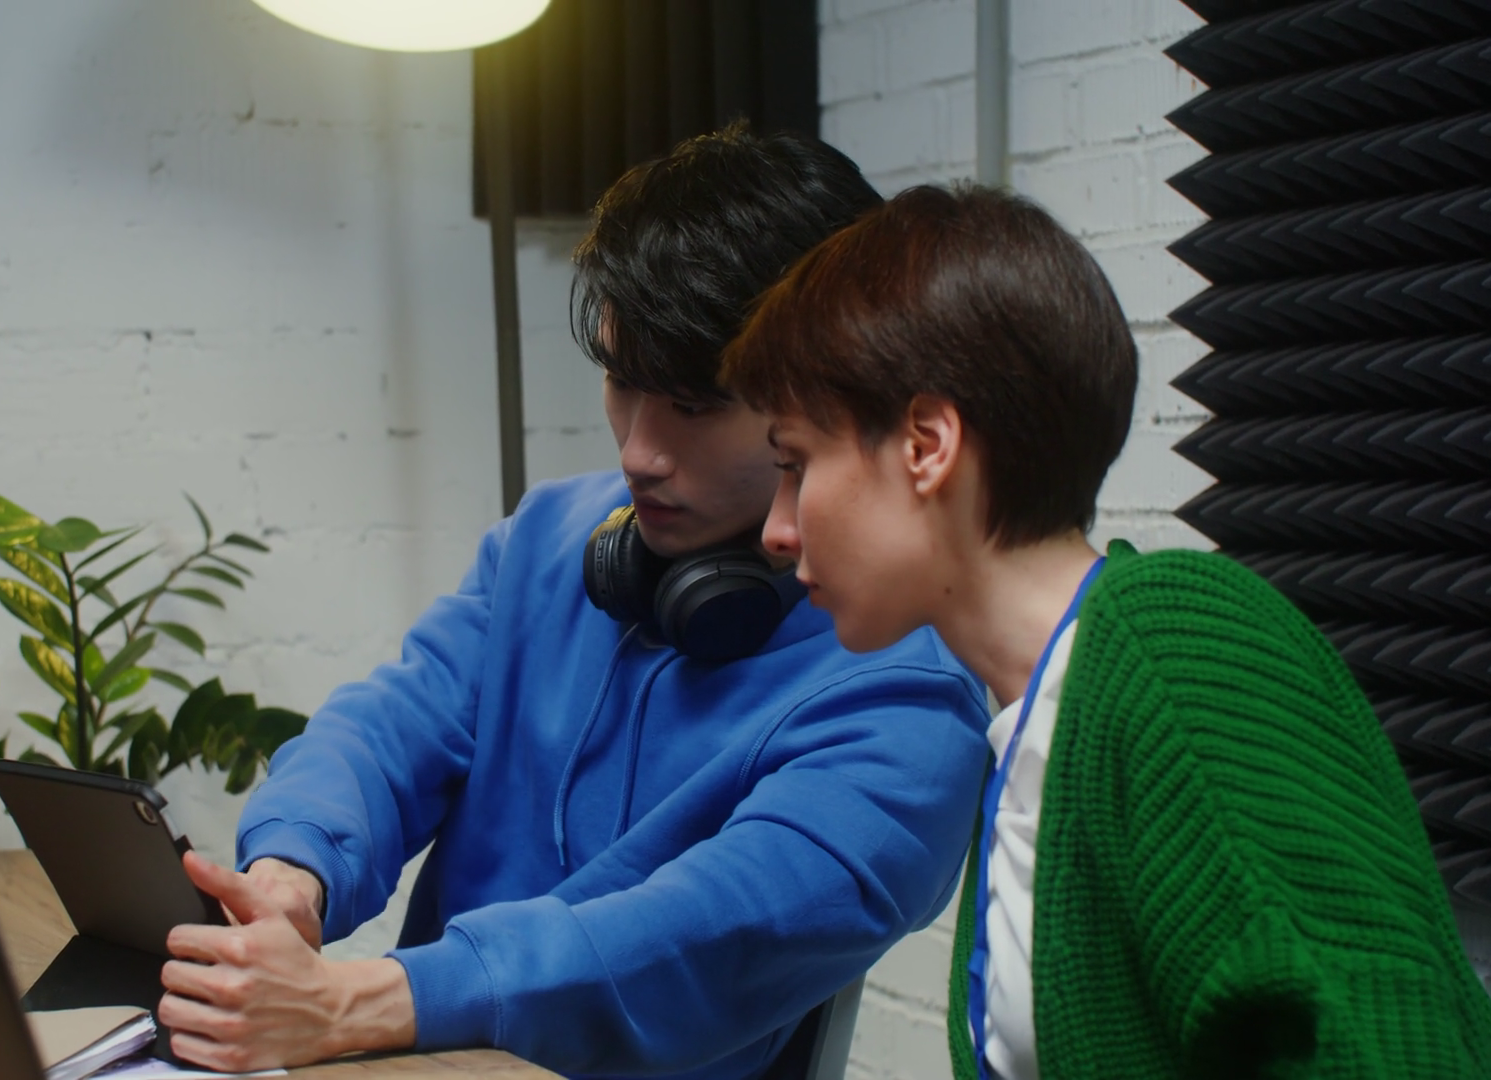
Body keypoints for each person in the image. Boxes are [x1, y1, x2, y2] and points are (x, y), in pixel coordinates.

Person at [154, 126, 993, 1079]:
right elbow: (389, 728)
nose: (639, 452)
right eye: (622, 383)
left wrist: (356, 1000)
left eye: (694, 404)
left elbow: (689, 940)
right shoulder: (552, 540)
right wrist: (292, 872)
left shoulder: (907, 698)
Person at [722, 183, 1491, 1079]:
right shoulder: (1029, 720)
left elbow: (1393, 1051)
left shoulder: (1179, 649)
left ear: (927, 445)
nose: (778, 531)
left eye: (796, 464)